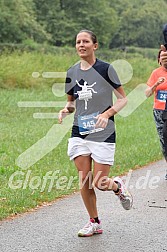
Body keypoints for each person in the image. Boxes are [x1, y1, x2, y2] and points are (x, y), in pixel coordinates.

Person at [58, 29, 133, 237]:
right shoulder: (71, 72)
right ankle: (94, 222)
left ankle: (117, 186)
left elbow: (123, 99)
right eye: (78, 42)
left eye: (85, 41)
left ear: (95, 45)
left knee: (100, 183)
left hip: (102, 132)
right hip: (80, 131)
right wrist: (66, 109)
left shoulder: (106, 69)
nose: (81, 45)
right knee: (84, 179)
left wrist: (107, 114)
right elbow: (71, 102)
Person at [145, 46, 167, 179]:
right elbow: (147, 93)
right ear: (159, 60)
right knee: (164, 140)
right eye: (162, 56)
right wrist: (155, 85)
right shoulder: (156, 73)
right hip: (159, 111)